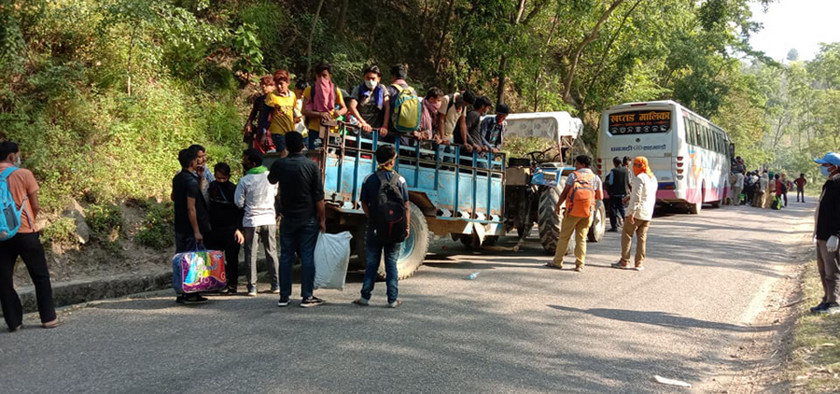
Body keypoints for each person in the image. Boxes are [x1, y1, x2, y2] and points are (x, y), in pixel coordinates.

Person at [0, 141, 59, 331]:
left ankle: (14, 322)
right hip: (26, 233)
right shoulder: (24, 174)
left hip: (1, 236)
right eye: (18, 155)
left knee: (3, 280)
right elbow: (35, 204)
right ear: (11, 157)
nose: (19, 158)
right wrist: (31, 221)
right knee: (40, 276)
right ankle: (48, 318)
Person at [267, 132, 326, 308]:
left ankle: (284, 296)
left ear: (286, 146)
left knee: (286, 255)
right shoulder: (311, 166)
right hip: (308, 217)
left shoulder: (280, 164)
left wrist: (283, 158)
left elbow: (271, 180)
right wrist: (322, 220)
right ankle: (307, 296)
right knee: (307, 255)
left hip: (287, 217)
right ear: (302, 145)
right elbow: (319, 197)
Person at [353, 145, 409, 308]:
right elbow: (405, 205)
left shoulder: (369, 179)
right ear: (391, 161)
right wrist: (405, 228)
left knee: (372, 263)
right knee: (391, 264)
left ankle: (365, 297)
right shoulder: (400, 180)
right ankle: (392, 299)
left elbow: (363, 203)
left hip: (375, 228)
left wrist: (373, 218)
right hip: (394, 228)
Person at [234, 149, 280, 297]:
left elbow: (238, 203)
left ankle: (252, 287)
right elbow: (274, 194)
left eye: (245, 159)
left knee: (250, 254)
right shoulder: (270, 177)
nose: (243, 162)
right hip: (269, 219)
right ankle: (276, 284)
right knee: (271, 252)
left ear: (252, 163)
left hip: (251, 221)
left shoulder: (245, 180)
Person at [546, 155, 603, 272]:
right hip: (587, 213)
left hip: (572, 212)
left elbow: (565, 192)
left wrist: (558, 205)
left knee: (564, 237)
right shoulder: (595, 178)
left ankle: (557, 261)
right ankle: (579, 264)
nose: (575, 166)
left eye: (577, 163)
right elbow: (600, 196)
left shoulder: (573, 175)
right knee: (581, 238)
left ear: (582, 164)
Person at [171, 147, 211, 304]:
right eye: (196, 159)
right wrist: (196, 231)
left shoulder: (178, 178)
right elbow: (191, 207)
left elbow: (176, 196)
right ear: (192, 161)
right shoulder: (190, 181)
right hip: (190, 227)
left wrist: (200, 178)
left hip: (179, 224)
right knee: (192, 259)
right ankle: (191, 291)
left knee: (181, 257)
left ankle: (181, 292)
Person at [611, 156, 658, 271]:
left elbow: (637, 197)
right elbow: (646, 194)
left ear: (640, 166)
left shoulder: (639, 178)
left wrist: (631, 212)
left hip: (637, 212)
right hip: (647, 213)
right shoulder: (652, 178)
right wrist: (629, 196)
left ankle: (624, 261)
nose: (633, 167)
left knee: (627, 234)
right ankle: (639, 263)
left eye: (635, 165)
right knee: (642, 238)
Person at [206, 163, 245, 294]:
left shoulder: (233, 189)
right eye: (218, 178)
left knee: (232, 258)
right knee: (214, 258)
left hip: (231, 228)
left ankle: (232, 284)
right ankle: (216, 282)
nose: (221, 181)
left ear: (228, 176)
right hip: (215, 228)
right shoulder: (211, 187)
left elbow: (240, 210)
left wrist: (239, 229)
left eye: (223, 178)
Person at [809, 152, 840, 314]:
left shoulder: (838, 183)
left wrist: (836, 234)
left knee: (832, 271)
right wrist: (816, 231)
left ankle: (834, 303)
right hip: (822, 235)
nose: (822, 168)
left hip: (831, 236)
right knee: (823, 269)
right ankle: (826, 299)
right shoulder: (829, 183)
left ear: (834, 167)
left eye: (824, 165)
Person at [302, 62, 347, 150]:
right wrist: (320, 114)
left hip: (332, 129)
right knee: (315, 155)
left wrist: (339, 112)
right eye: (319, 76)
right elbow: (304, 111)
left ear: (330, 76)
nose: (322, 79)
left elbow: (344, 108)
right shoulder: (310, 90)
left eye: (324, 75)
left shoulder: (335, 90)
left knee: (331, 156)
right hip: (315, 130)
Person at [348, 65, 390, 138]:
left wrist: (385, 126)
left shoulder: (382, 89)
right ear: (364, 78)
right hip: (361, 129)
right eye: (368, 78)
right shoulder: (358, 89)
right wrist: (363, 122)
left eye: (373, 78)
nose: (370, 81)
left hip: (377, 131)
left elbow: (387, 106)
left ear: (378, 79)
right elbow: (352, 107)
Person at [265, 70, 300, 157]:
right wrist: (264, 132)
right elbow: (266, 115)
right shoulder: (272, 96)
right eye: (277, 84)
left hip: (290, 131)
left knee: (292, 154)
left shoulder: (292, 96)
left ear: (287, 83)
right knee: (283, 153)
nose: (279, 86)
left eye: (281, 84)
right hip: (277, 131)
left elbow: (292, 110)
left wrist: (296, 118)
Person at [242, 76, 278, 154]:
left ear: (273, 86)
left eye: (267, 85)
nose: (263, 86)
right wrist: (249, 123)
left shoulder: (277, 100)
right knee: (258, 155)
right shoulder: (259, 100)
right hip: (260, 131)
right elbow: (253, 113)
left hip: (273, 133)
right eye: (262, 84)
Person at [384, 63, 418, 143]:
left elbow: (386, 108)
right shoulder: (413, 92)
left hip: (391, 132)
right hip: (407, 134)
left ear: (393, 76)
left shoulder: (390, 90)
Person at [604, 157, 630, 232]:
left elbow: (611, 182)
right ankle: (627, 225)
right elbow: (628, 181)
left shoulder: (613, 171)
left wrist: (606, 183)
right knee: (622, 209)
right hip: (623, 193)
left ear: (614, 163)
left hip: (614, 193)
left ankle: (614, 227)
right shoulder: (626, 170)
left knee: (613, 210)